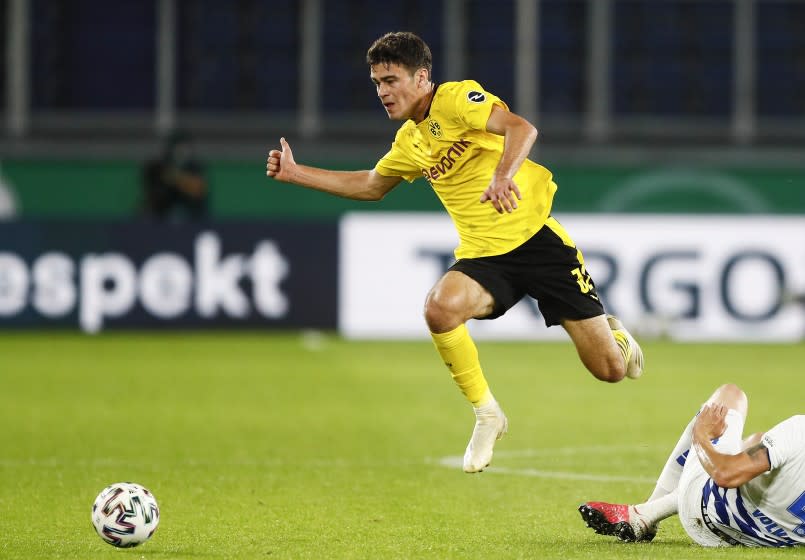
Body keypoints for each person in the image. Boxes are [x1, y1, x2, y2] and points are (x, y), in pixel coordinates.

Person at [265, 31, 644, 473]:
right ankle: (487, 414)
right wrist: (296, 174)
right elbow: (371, 185)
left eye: (390, 80)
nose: (382, 92)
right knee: (440, 309)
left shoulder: (459, 99)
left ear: (422, 77)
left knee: (611, 370)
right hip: (484, 257)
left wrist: (503, 176)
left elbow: (523, 128)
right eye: (376, 83)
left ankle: (614, 334)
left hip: (539, 243)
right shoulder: (409, 142)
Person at [579, 383, 805, 547]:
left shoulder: (799, 430)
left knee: (730, 395)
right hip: (759, 541)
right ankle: (648, 512)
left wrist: (701, 436)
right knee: (756, 440)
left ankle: (644, 513)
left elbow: (725, 474)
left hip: (707, 513)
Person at [142, 130, 209, 222]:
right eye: (179, 147)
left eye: (185, 147)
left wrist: (177, 178)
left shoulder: (195, 167)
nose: (182, 151)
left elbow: (198, 189)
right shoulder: (161, 165)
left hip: (191, 214)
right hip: (163, 214)